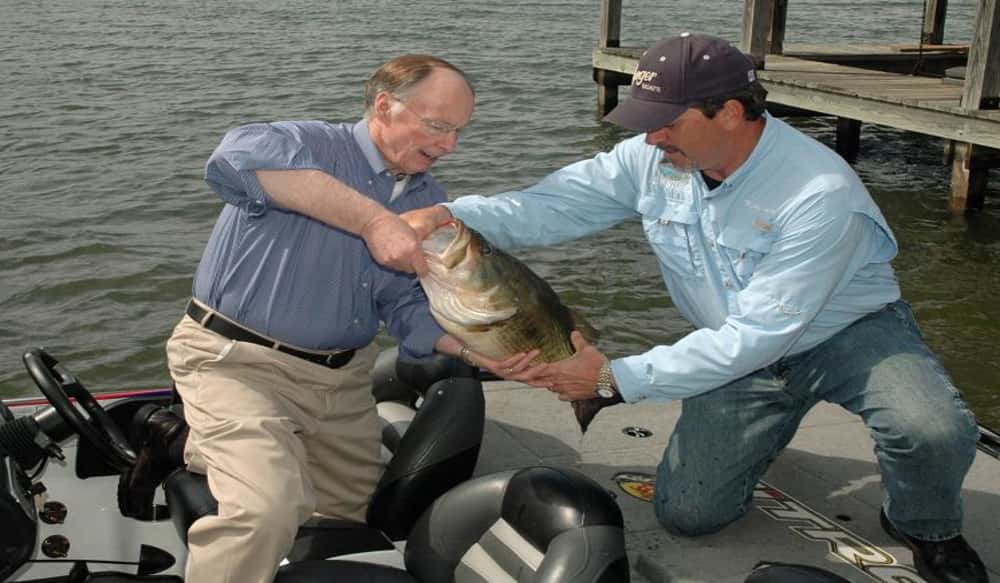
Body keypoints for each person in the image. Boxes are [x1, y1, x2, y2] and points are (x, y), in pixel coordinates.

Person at [403, 33, 988, 583]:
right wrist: (452, 218)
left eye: (666, 122)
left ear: (729, 112)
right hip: (734, 346)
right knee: (689, 515)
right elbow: (552, 206)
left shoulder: (820, 193)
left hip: (848, 335)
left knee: (931, 428)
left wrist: (612, 378)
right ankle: (765, 430)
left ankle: (924, 524)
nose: (651, 138)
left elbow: (758, 335)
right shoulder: (651, 157)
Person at [165, 54, 532, 583]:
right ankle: (219, 456)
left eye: (459, 131)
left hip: (342, 384)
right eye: (437, 126)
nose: (450, 145)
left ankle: (228, 466)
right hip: (236, 364)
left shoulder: (428, 199)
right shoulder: (307, 145)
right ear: (384, 107)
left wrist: (478, 352)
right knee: (264, 511)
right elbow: (232, 157)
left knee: (352, 521)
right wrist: (374, 222)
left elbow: (405, 303)